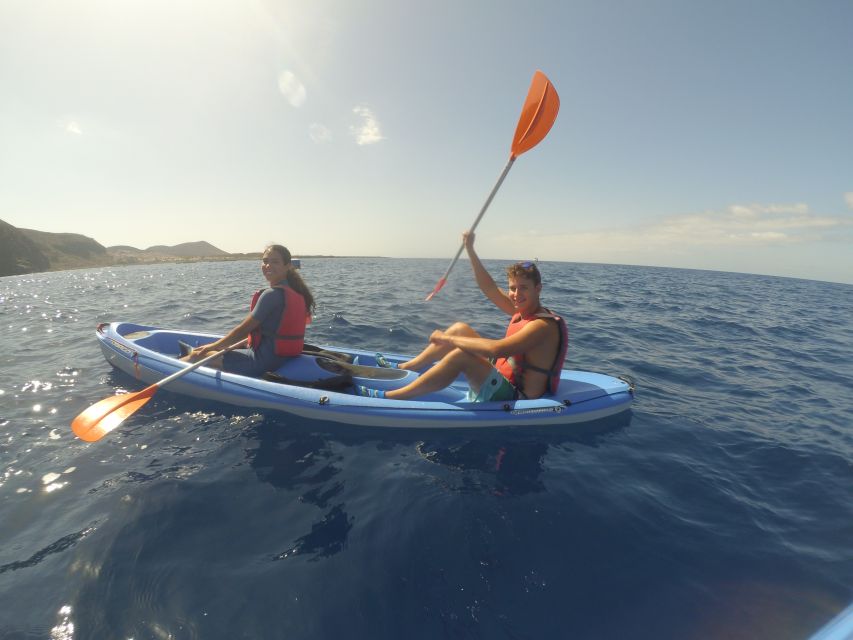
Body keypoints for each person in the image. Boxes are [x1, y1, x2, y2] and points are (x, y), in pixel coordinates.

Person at [358, 231, 568, 401]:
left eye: (523, 288)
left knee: (460, 354)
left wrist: (447, 339)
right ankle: (406, 367)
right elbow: (489, 288)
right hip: (502, 376)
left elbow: (497, 349)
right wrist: (470, 249)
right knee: (460, 329)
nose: (516, 294)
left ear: (538, 289)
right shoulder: (521, 310)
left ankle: (391, 397)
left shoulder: (542, 326)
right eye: (513, 288)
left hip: (517, 396)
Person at [181, 244, 315, 376]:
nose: (268, 265)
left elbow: (242, 330)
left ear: (287, 266)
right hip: (283, 358)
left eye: (275, 262)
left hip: (260, 363)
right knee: (225, 350)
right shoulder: (297, 292)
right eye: (265, 261)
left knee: (198, 354)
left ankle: (176, 365)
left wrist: (212, 346)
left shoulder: (271, 294)